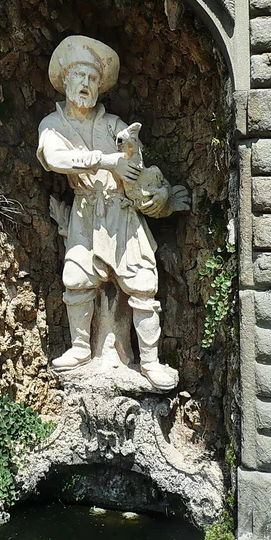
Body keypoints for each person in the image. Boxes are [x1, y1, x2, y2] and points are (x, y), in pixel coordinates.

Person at [37, 36, 189, 391]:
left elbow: (135, 167)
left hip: (121, 214)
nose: (87, 85)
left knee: (143, 285)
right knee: (76, 279)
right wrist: (106, 160)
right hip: (86, 210)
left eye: (93, 79)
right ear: (66, 81)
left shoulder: (114, 123)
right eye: (80, 77)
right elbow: (54, 158)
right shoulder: (53, 124)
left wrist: (133, 159)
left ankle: (150, 362)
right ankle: (78, 348)